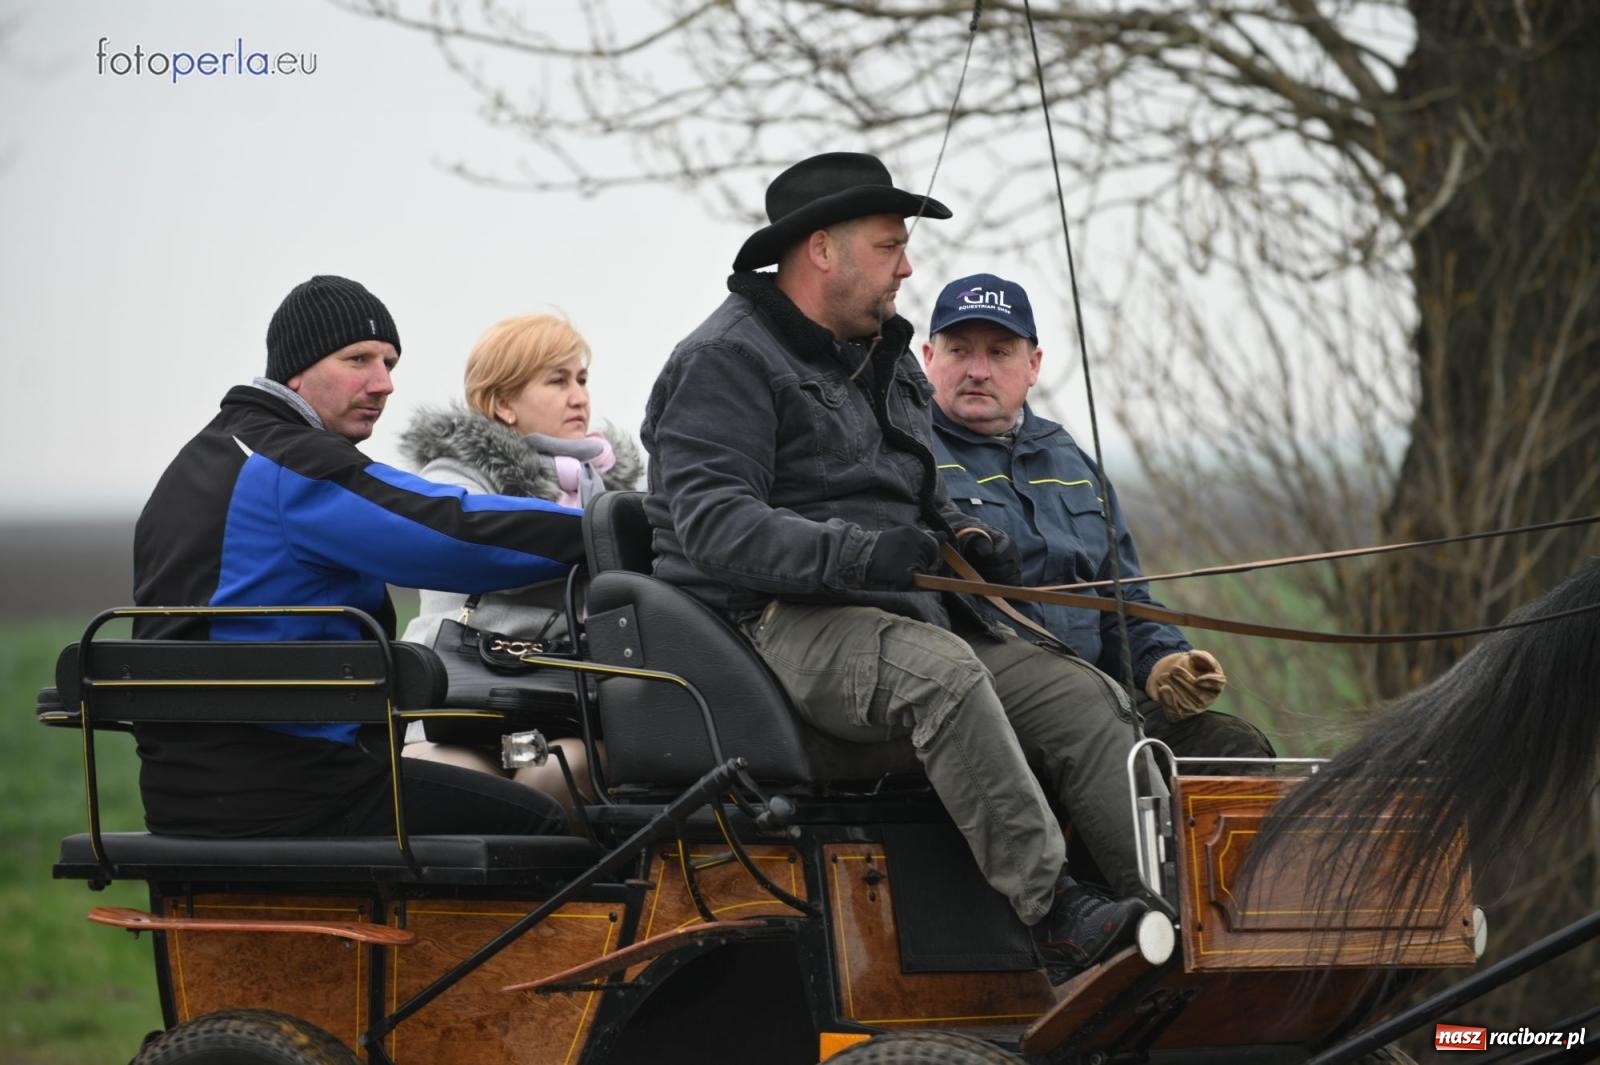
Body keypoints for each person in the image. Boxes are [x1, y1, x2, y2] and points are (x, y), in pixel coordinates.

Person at [641, 152, 1146, 984]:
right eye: (888, 247)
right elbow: (714, 525)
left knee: (1077, 693)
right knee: (941, 676)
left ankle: (1160, 920)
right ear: (821, 251)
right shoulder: (723, 361)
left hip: (893, 612)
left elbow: (916, 486)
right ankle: (1054, 913)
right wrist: (859, 552)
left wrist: (961, 534)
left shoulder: (881, 354)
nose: (908, 267)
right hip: (767, 623)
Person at [132, 275, 588, 840]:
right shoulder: (289, 464)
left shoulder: (198, 461)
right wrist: (604, 526)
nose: (383, 383)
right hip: (291, 785)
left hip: (192, 786)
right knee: (542, 820)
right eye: (358, 359)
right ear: (297, 368)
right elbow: (450, 532)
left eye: (390, 364)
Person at [922, 273, 1276, 762]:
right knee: (1103, 744)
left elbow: (1122, 599)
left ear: (1034, 365)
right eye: (960, 351)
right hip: (986, 708)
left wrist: (1164, 662)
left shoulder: (1072, 463)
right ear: (928, 359)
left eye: (1000, 352)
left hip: (1096, 701)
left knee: (1234, 748)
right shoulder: (906, 456)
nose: (978, 370)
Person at [399, 314, 643, 809]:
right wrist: (586, 537)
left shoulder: (612, 485)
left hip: (566, 701)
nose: (579, 396)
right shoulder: (453, 481)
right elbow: (478, 551)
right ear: (503, 403)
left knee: (560, 776)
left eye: (581, 379)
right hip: (462, 700)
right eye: (557, 381)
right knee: (462, 785)